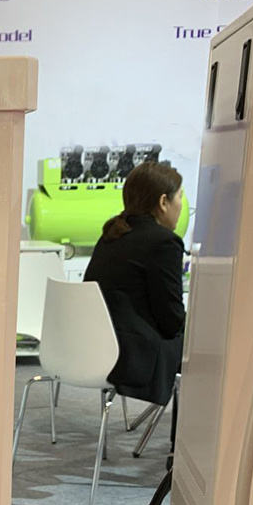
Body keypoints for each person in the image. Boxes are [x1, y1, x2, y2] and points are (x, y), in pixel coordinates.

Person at [83, 161, 185, 407]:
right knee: (214, 345)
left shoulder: (112, 233)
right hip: (134, 355)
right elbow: (171, 320)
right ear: (163, 202)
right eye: (180, 197)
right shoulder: (165, 242)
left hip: (94, 346)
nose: (182, 205)